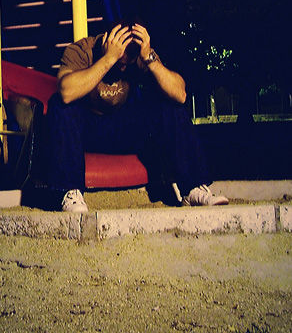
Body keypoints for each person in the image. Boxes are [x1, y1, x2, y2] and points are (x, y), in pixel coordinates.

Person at [45, 19, 229, 212]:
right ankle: (70, 192)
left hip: (124, 128)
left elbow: (180, 95)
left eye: (127, 63)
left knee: (170, 105)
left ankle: (193, 189)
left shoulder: (139, 53)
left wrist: (149, 57)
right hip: (86, 131)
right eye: (120, 62)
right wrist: (109, 59)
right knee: (61, 105)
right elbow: (66, 92)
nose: (123, 68)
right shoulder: (82, 51)